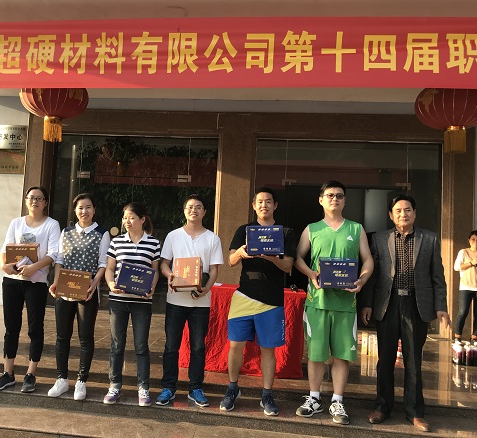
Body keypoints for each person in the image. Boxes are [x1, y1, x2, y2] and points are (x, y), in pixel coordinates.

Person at [361, 194, 451, 433]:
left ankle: (415, 412)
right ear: (391, 215)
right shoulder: (379, 239)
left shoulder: (429, 239)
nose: (404, 214)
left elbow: (438, 277)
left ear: (415, 213)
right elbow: (373, 275)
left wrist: (441, 307)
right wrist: (367, 304)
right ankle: (382, 407)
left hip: (416, 304)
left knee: (413, 361)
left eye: (408, 209)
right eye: (398, 211)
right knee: (385, 360)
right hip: (388, 304)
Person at [294, 180, 373, 425]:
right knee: (316, 355)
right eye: (330, 195)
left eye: (339, 196)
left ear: (344, 200)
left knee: (341, 355)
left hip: (346, 303)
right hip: (317, 301)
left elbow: (368, 260)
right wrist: (311, 274)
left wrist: (361, 280)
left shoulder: (356, 229)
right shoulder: (312, 229)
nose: (334, 199)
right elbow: (297, 258)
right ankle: (314, 398)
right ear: (321, 200)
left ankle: (338, 401)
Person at [221, 187, 297, 416]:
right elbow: (231, 261)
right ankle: (232, 388)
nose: (264, 205)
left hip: (272, 301)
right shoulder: (244, 231)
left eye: (268, 201)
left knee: (268, 350)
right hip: (244, 296)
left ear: (275, 206)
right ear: (254, 206)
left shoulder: (285, 233)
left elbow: (288, 266)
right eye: (260, 202)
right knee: (235, 346)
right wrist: (241, 252)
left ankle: (267, 394)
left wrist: (270, 257)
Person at [155, 194, 223, 407]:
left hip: (200, 302)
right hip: (175, 300)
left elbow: (214, 270)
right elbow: (164, 263)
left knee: (198, 347)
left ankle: (195, 388)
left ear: (205, 212)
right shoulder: (173, 236)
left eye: (198, 207)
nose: (194, 210)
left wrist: (206, 290)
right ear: (184, 211)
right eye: (190, 207)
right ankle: (168, 387)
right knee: (171, 346)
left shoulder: (212, 238)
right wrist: (170, 276)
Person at [0, 186, 61, 393]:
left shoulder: (52, 224)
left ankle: (30, 374)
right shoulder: (16, 222)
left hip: (36, 282)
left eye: (39, 198)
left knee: (34, 328)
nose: (35, 201)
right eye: (31, 198)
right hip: (12, 281)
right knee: (11, 328)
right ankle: (8, 373)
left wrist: (34, 268)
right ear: (25, 200)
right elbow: (6, 249)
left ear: (45, 202)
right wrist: (4, 266)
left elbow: (53, 254)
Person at [48, 193, 110, 400]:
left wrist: (94, 283)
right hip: (65, 292)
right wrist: (56, 282)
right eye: (80, 207)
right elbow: (59, 259)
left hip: (87, 292)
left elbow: (103, 263)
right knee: (62, 336)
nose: (84, 211)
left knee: (85, 337)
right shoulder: (66, 232)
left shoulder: (102, 233)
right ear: (75, 210)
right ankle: (61, 379)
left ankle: (81, 380)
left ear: (94, 210)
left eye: (88, 207)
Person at [103, 202, 160, 407]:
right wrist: (111, 284)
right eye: (125, 218)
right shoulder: (117, 241)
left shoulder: (153, 243)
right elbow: (110, 268)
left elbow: (155, 270)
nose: (127, 221)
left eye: (132, 218)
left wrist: (152, 287)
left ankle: (143, 388)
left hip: (141, 302)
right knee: (117, 345)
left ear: (142, 219)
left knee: (141, 346)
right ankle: (114, 385)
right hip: (118, 300)